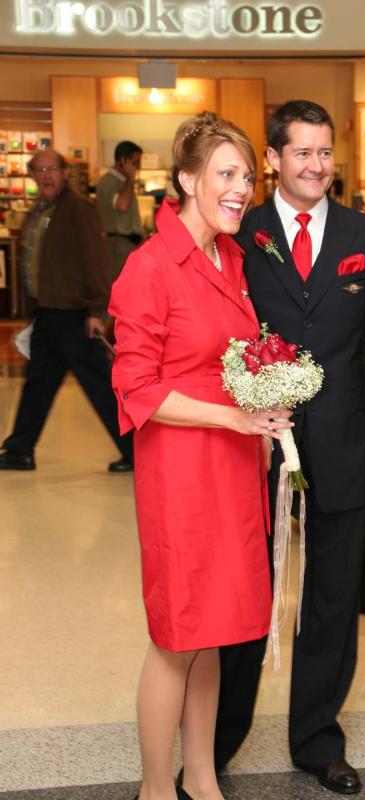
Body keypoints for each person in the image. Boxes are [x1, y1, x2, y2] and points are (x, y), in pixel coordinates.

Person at [215, 100, 365, 796]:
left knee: (332, 596)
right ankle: (220, 738)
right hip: (250, 442)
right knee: (243, 597)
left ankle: (317, 741)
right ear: (271, 160)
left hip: (341, 443)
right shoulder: (240, 231)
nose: (316, 166)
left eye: (325, 152)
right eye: (300, 153)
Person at [108, 112, 292, 800]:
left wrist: (267, 393)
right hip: (181, 474)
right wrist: (231, 414)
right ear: (186, 180)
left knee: (213, 633)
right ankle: (156, 788)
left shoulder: (231, 256)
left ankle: (202, 777)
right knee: (177, 638)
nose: (242, 187)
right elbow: (137, 387)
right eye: (226, 174)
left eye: (247, 174)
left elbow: (228, 358)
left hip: (232, 467)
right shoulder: (149, 267)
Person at [0, 148, 132, 473]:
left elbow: (95, 260)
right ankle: (20, 450)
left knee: (99, 384)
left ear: (64, 174)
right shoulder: (40, 211)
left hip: (75, 314)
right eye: (40, 170)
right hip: (49, 312)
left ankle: (137, 450)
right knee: (39, 382)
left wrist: (95, 310)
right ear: (32, 176)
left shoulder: (78, 209)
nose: (46, 176)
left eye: (52, 169)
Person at [96, 140, 144, 281]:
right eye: (135, 163)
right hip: (119, 246)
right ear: (123, 161)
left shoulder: (121, 182)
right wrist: (131, 180)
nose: (138, 167)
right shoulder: (108, 182)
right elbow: (122, 205)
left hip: (127, 245)